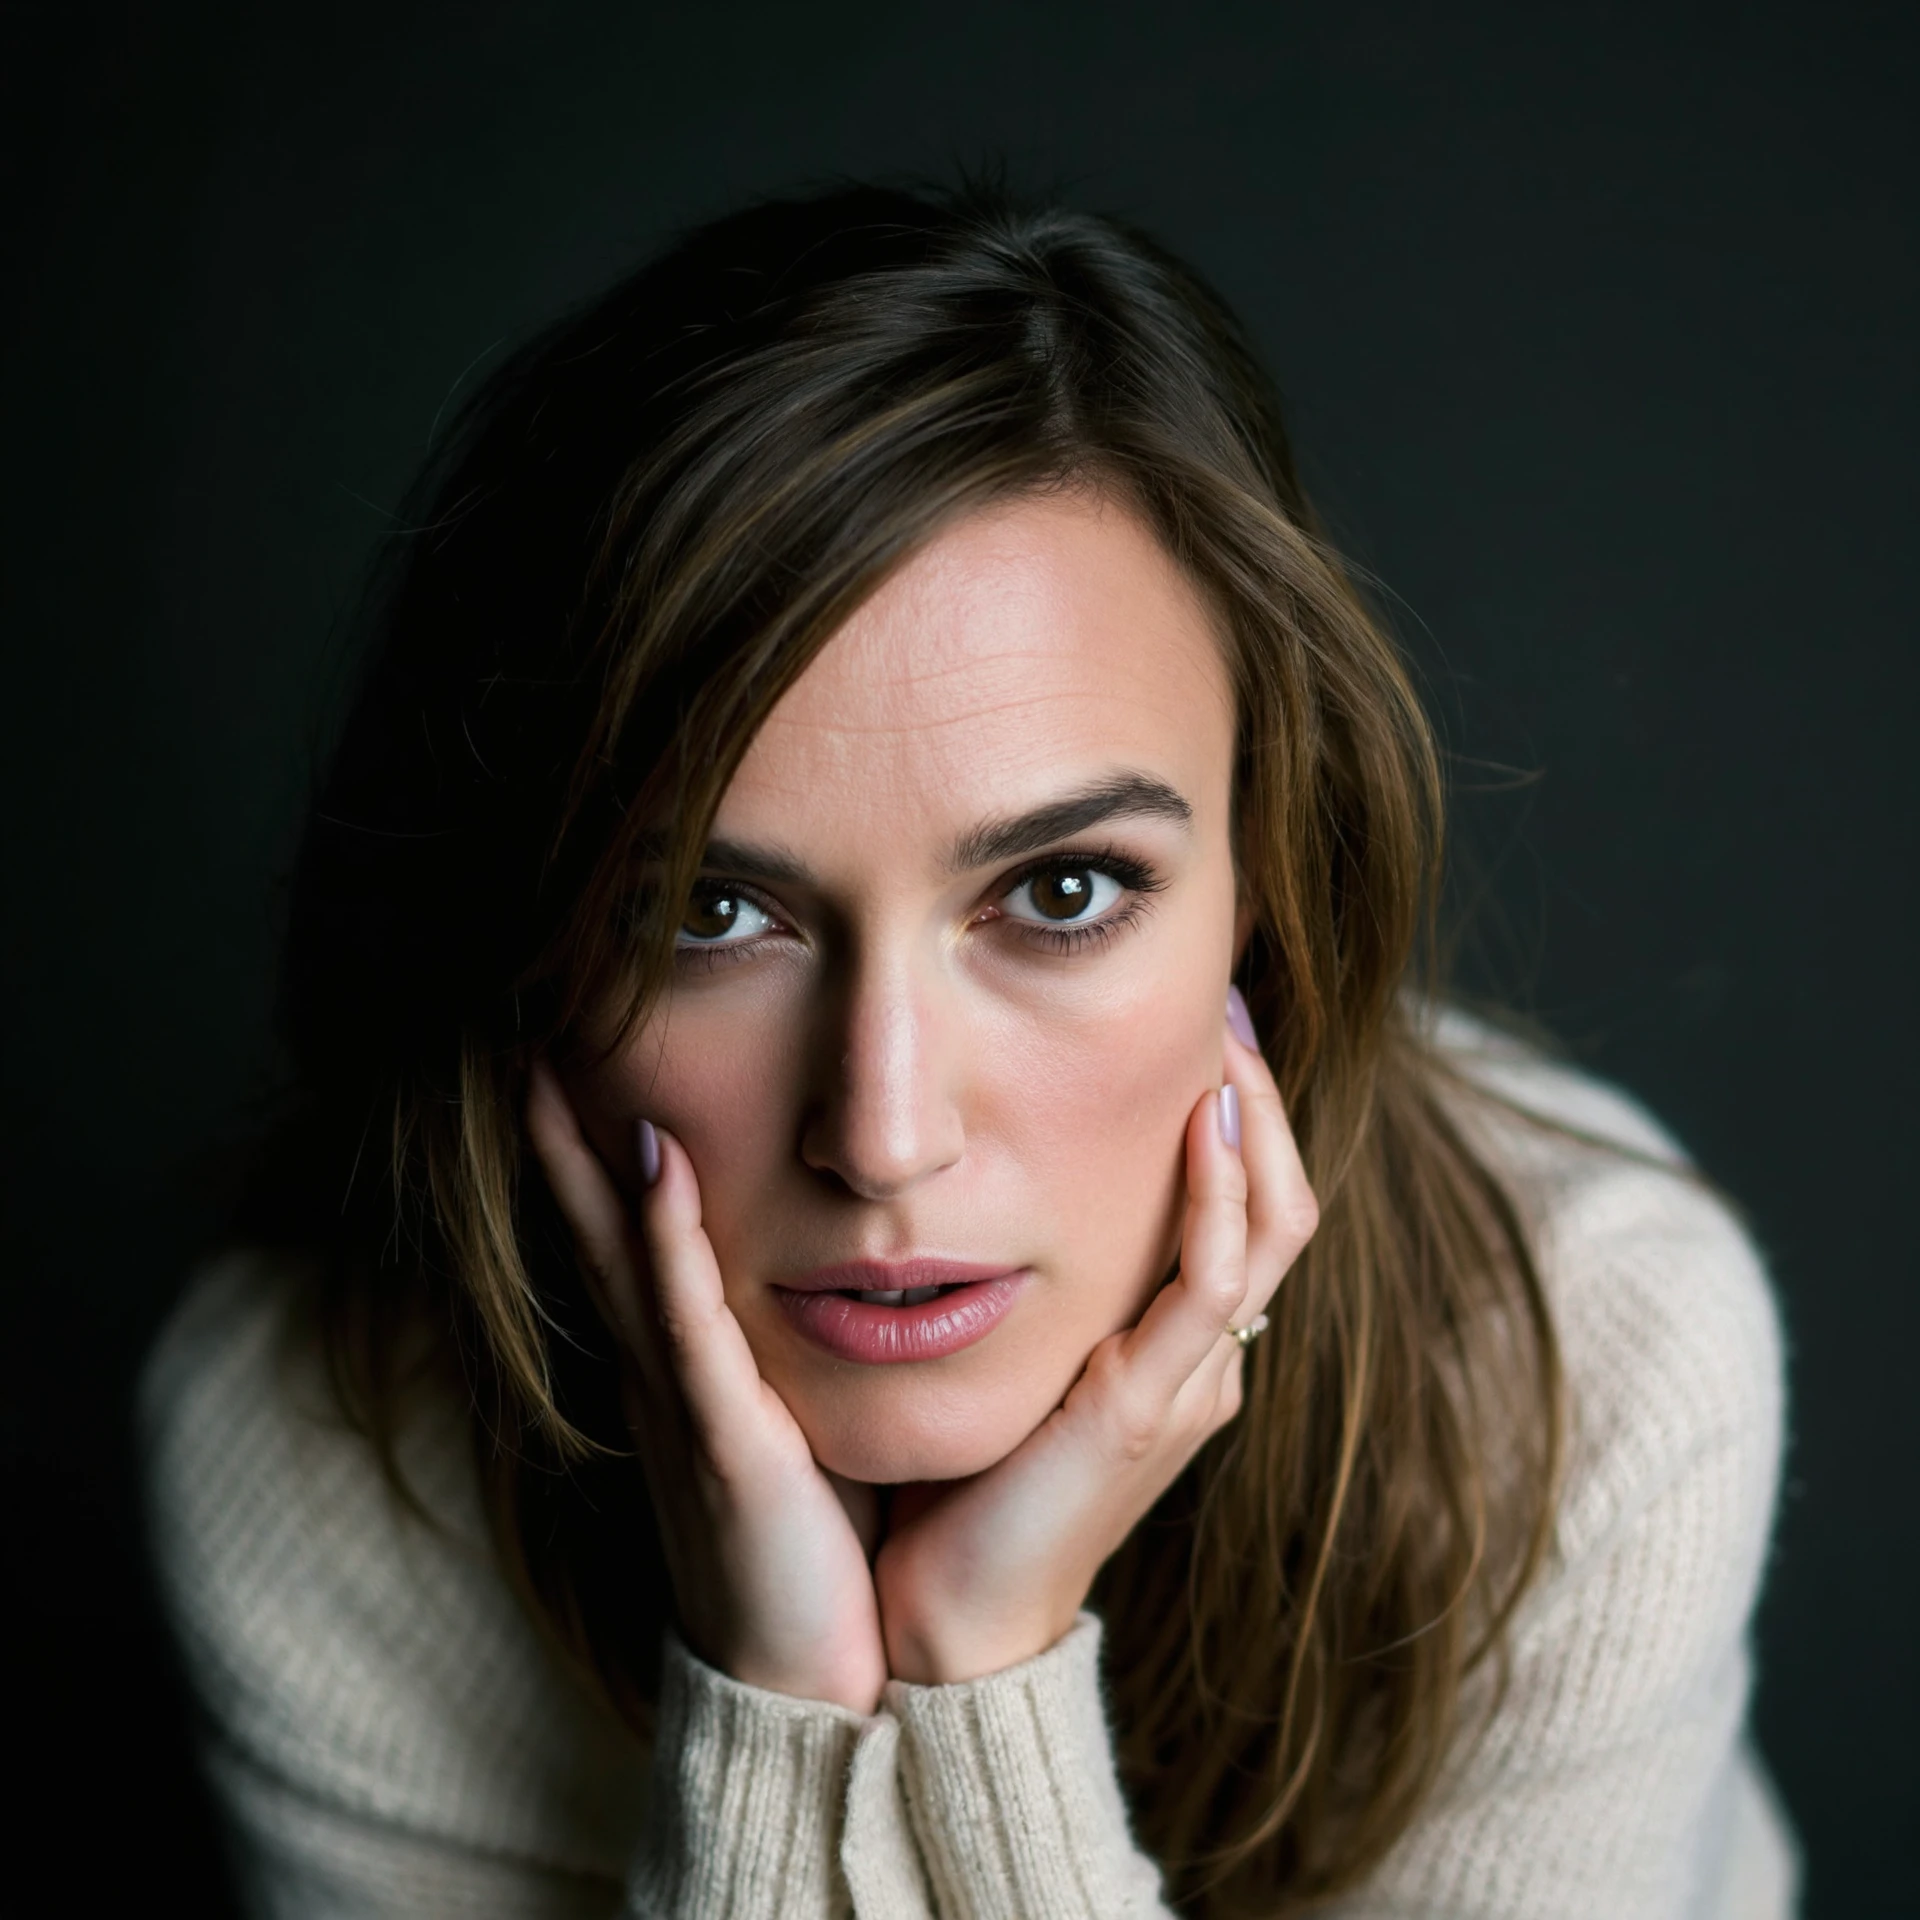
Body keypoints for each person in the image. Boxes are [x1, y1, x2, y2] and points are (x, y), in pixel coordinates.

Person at [141, 183, 1795, 1918]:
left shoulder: (1587, 1365)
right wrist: (774, 1704)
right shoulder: (322, 1443)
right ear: (530, 950)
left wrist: (977, 1667)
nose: (885, 1130)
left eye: (1063, 890)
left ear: (1268, 892)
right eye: (706, 914)